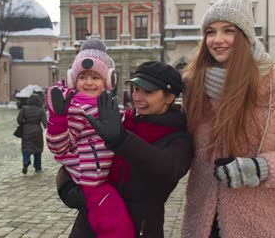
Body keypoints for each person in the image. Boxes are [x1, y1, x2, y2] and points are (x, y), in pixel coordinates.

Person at [180, 0, 275, 238]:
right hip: (202, 219)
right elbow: (178, 143)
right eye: (210, 32)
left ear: (244, 36)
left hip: (258, 221)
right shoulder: (193, 83)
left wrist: (256, 168)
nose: (217, 40)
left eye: (228, 31)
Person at [56, 61, 193, 238]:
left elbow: (168, 167)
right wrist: (66, 185)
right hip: (91, 224)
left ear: (170, 96)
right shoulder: (121, 120)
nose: (138, 97)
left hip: (139, 228)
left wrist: (121, 139)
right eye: (136, 89)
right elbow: (80, 155)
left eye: (148, 92)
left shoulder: (178, 136)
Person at [45, 38, 135, 238]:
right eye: (83, 77)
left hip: (107, 175)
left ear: (108, 81)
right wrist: (58, 120)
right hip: (91, 179)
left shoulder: (111, 105)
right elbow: (60, 147)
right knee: (118, 227)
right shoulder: (77, 109)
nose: (88, 82)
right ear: (73, 80)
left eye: (95, 77)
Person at [17, 94, 47, 174]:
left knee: (26, 148)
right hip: (37, 131)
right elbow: (45, 124)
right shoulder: (41, 110)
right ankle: (38, 167)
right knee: (38, 149)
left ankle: (26, 161)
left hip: (26, 130)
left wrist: (23, 125)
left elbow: (19, 120)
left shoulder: (24, 109)